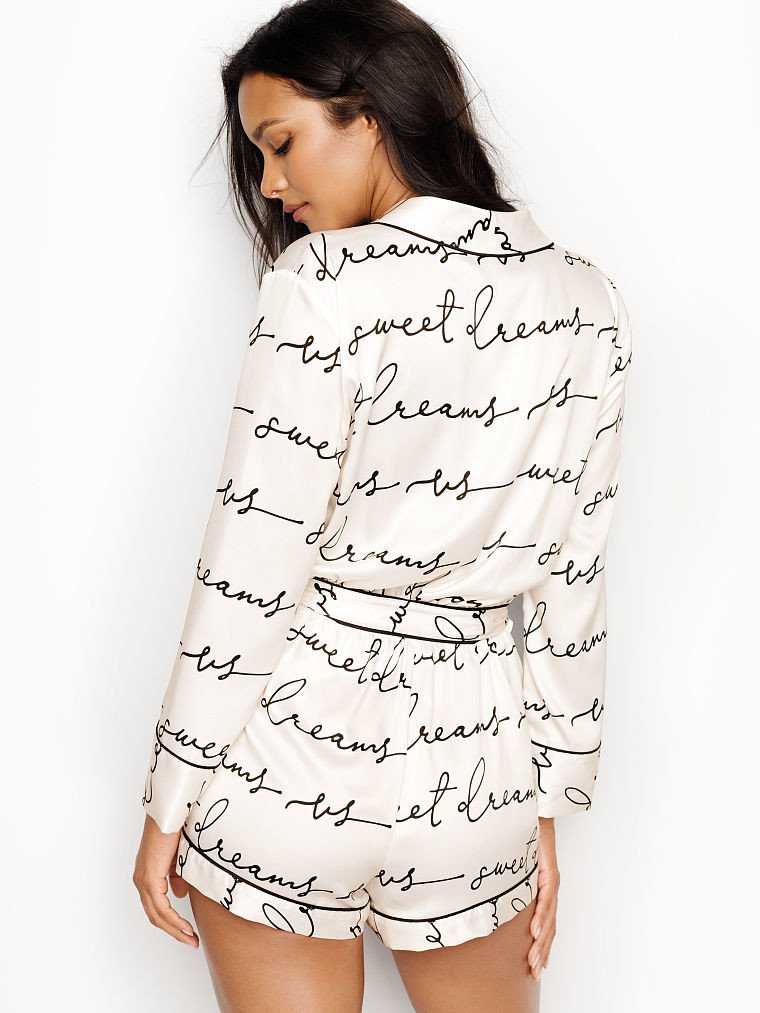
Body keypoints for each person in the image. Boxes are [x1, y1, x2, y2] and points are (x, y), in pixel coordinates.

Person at [132, 1, 633, 1009]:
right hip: (475, 774)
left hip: (291, 763)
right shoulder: (586, 299)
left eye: (281, 142)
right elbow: (571, 580)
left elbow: (251, 562)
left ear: (369, 113)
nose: (270, 184)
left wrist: (169, 795)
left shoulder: (321, 279)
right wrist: (544, 798)